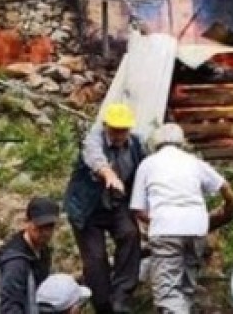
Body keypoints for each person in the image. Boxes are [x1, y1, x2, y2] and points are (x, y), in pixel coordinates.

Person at [129, 122, 233, 314]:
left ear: (156, 143)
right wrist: (229, 206)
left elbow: (137, 208)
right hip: (196, 228)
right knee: (187, 285)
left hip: (165, 229)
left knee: (168, 291)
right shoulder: (193, 162)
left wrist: (157, 220)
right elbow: (224, 186)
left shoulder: (148, 164)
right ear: (181, 142)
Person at [64, 103, 145, 314]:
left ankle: (121, 297)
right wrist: (108, 174)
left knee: (130, 235)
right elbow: (95, 158)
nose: (119, 135)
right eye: (115, 130)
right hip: (87, 209)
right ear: (106, 126)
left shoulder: (136, 144)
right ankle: (103, 305)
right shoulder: (93, 139)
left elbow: (145, 169)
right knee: (96, 259)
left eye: (123, 130)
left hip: (117, 204)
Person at [0, 196, 61, 314]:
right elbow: (9, 307)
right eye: (40, 227)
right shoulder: (15, 263)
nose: (45, 233)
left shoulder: (43, 250)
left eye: (50, 227)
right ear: (27, 223)